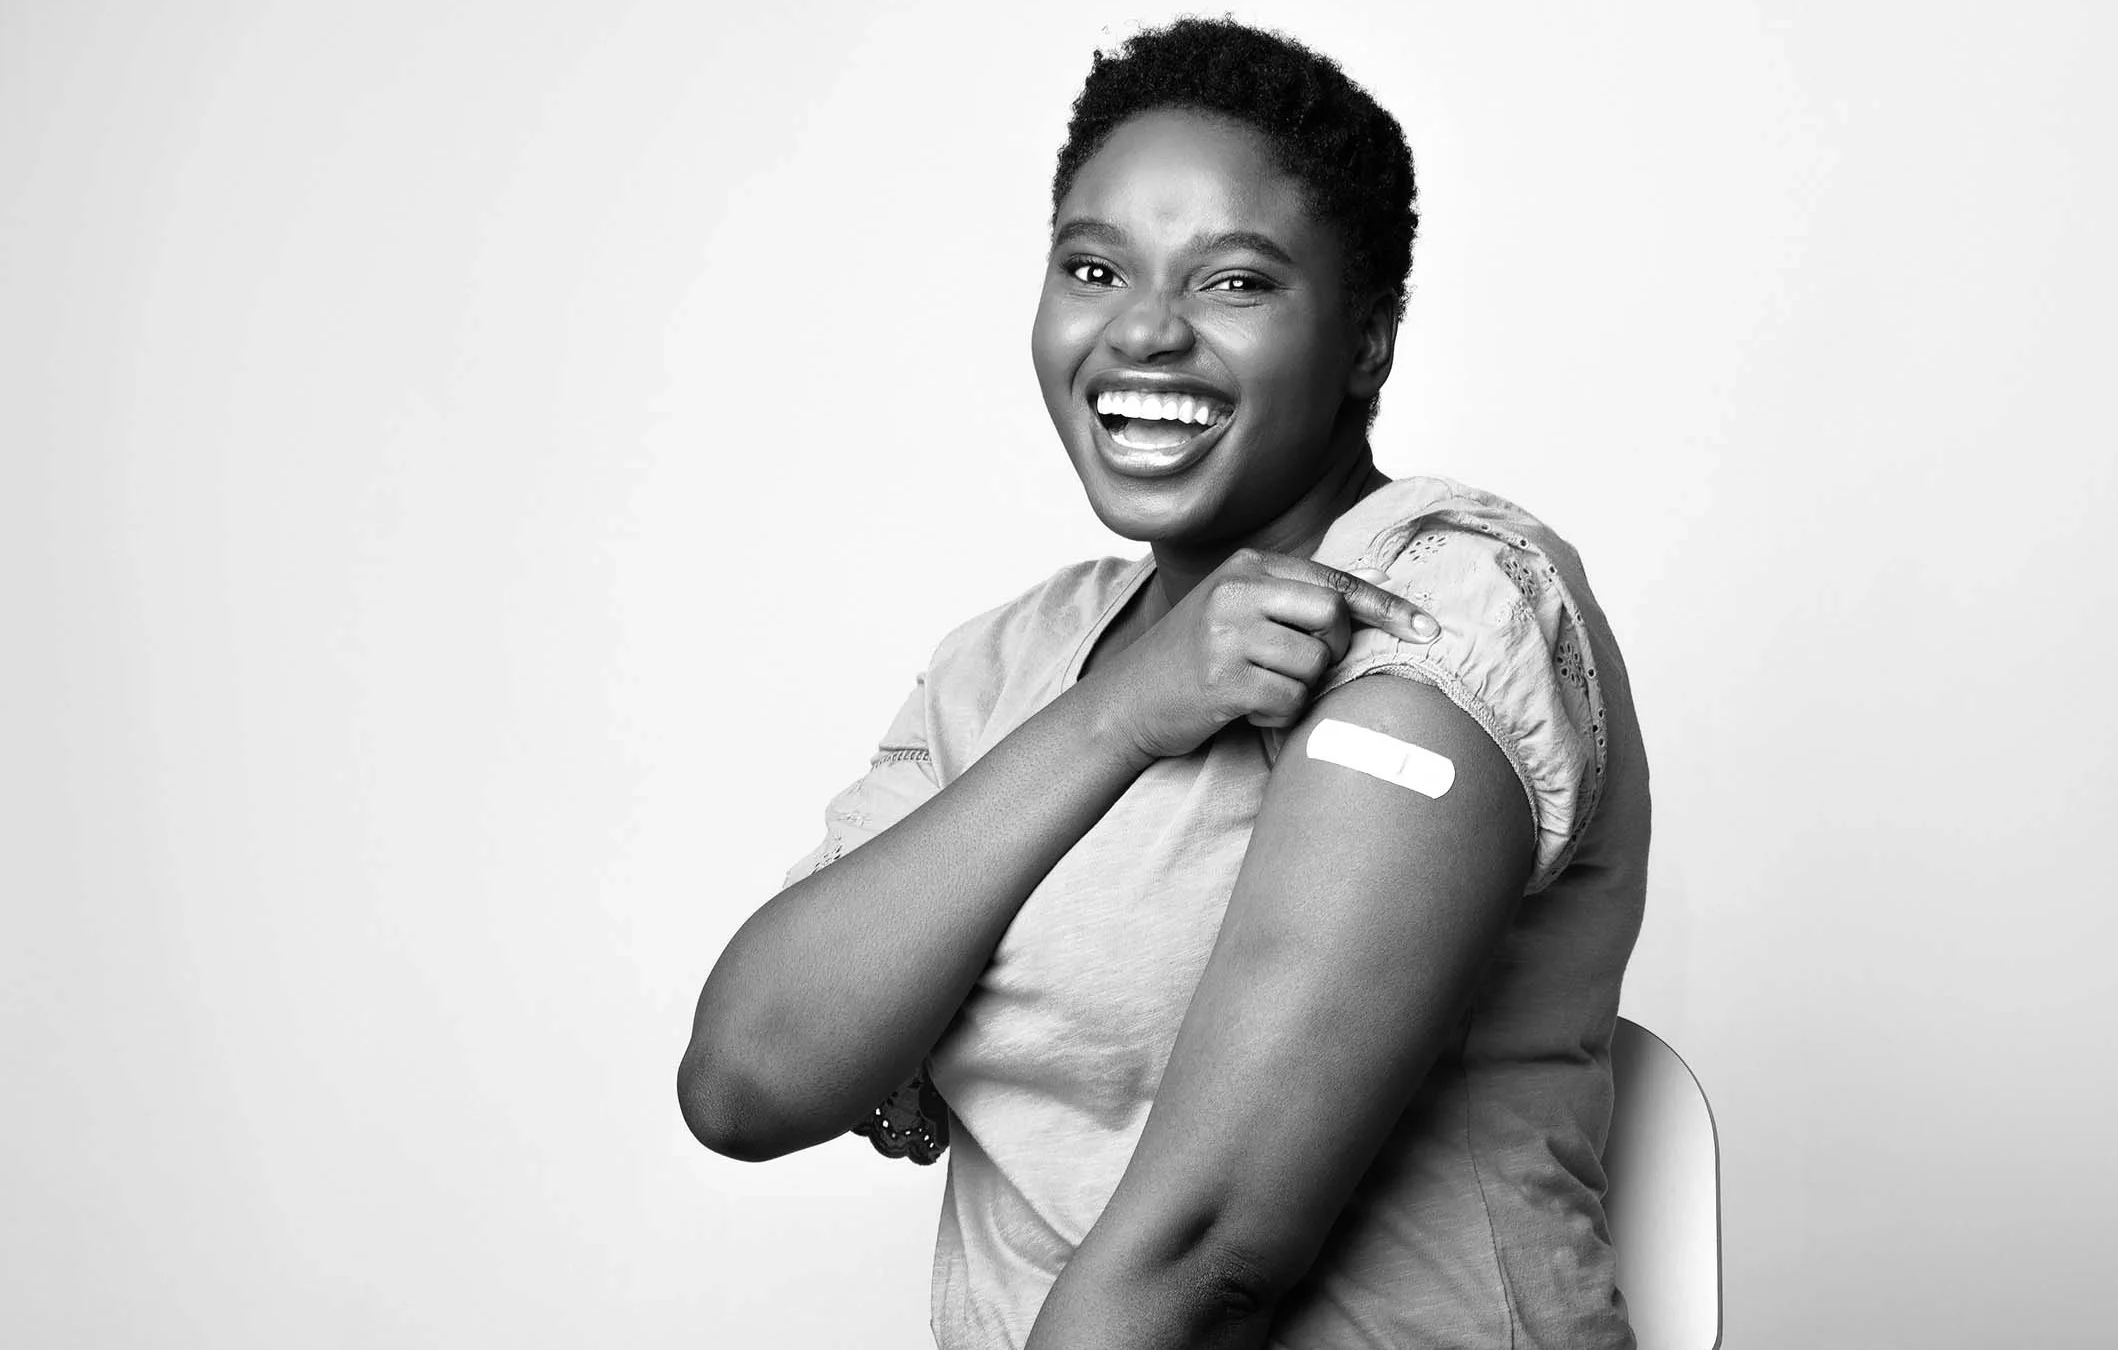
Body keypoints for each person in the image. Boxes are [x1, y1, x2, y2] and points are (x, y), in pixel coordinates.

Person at [678, 17, 1649, 1349]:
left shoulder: (1440, 609)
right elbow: (748, 1076)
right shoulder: (1007, 665)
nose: (1143, 330)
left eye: (1234, 282)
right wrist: (1120, 709)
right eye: (1093, 266)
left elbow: (1209, 1256)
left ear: (1367, 340)